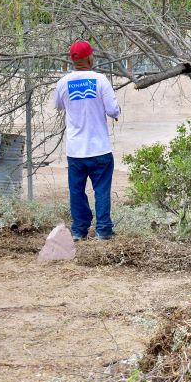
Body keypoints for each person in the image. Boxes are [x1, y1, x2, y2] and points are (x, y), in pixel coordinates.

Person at [54, 41, 121, 241]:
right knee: (101, 190)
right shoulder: (100, 80)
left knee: (76, 191)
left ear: (72, 60)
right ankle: (103, 231)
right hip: (99, 149)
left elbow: (58, 106)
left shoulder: (63, 83)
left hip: (75, 151)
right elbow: (112, 110)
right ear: (91, 58)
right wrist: (116, 112)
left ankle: (79, 230)